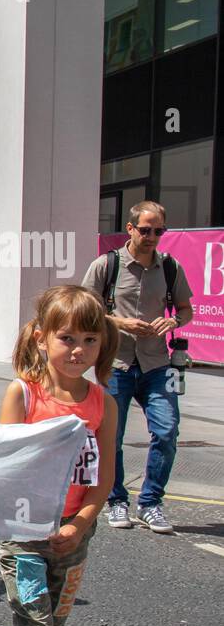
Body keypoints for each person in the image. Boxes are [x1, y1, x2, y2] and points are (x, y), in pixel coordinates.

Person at [0, 285, 118, 626]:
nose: (78, 349)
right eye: (67, 337)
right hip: (24, 534)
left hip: (74, 535)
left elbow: (104, 475)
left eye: (90, 339)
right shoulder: (22, 393)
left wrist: (81, 522)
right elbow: (3, 467)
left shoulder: (101, 402)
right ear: (42, 339)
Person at [81, 200, 194, 535]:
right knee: (110, 436)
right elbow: (85, 311)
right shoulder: (107, 265)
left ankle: (150, 503)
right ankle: (116, 501)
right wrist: (120, 322)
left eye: (159, 231)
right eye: (146, 230)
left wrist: (172, 322)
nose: (152, 237)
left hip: (158, 364)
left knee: (167, 430)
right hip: (116, 363)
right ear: (130, 228)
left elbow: (186, 310)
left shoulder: (170, 266)